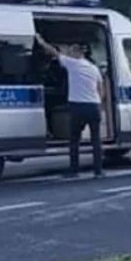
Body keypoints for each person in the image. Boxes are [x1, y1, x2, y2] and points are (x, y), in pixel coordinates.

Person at [34, 33, 105, 179]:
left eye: (72, 50)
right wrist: (100, 105)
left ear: (76, 52)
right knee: (96, 141)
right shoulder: (94, 68)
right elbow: (100, 89)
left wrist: (41, 41)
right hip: (94, 106)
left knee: (74, 140)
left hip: (78, 107)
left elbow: (53, 52)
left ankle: (74, 170)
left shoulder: (72, 63)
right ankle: (98, 171)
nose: (70, 53)